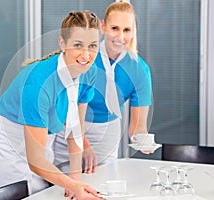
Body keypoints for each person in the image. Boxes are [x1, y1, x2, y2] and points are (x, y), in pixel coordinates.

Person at [0, 11, 105, 200]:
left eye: (93, 46)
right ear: (62, 43)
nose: (86, 55)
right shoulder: (38, 84)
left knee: (42, 194)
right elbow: (35, 159)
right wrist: (73, 185)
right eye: (78, 45)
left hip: (41, 139)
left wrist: (75, 178)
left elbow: (76, 128)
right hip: (9, 142)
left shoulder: (90, 72)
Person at [53, 1, 152, 173]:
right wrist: (82, 143)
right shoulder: (84, 56)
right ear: (103, 26)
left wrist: (142, 140)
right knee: (64, 185)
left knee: (101, 184)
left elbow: (137, 126)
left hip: (107, 131)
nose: (120, 37)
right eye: (115, 28)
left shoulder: (139, 70)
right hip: (70, 126)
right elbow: (69, 107)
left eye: (126, 30)